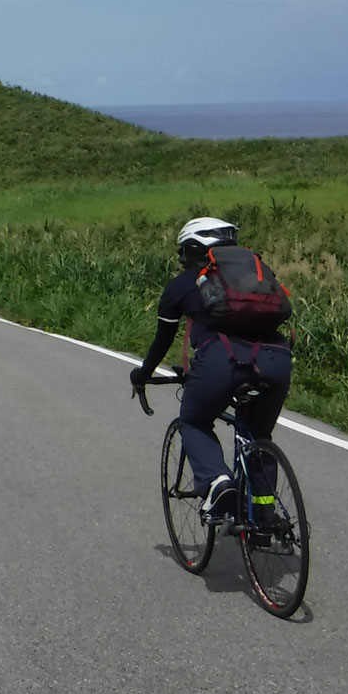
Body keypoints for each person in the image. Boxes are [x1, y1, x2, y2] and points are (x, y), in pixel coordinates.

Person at [130, 217, 293, 521]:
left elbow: (163, 340)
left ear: (192, 249)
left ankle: (217, 482)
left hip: (221, 361)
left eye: (183, 253)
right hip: (277, 359)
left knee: (193, 421)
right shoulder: (255, 274)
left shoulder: (182, 284)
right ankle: (264, 515)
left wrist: (143, 374)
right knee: (259, 436)